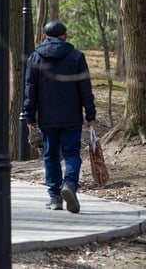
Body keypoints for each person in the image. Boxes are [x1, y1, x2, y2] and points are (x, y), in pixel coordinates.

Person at [22, 21, 96, 214]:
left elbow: (30, 90)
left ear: (45, 36)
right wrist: (90, 113)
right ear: (65, 36)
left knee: (50, 155)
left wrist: (30, 116)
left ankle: (55, 196)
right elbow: (85, 88)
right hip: (71, 115)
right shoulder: (76, 57)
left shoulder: (35, 58)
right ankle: (69, 184)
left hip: (47, 117)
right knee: (72, 153)